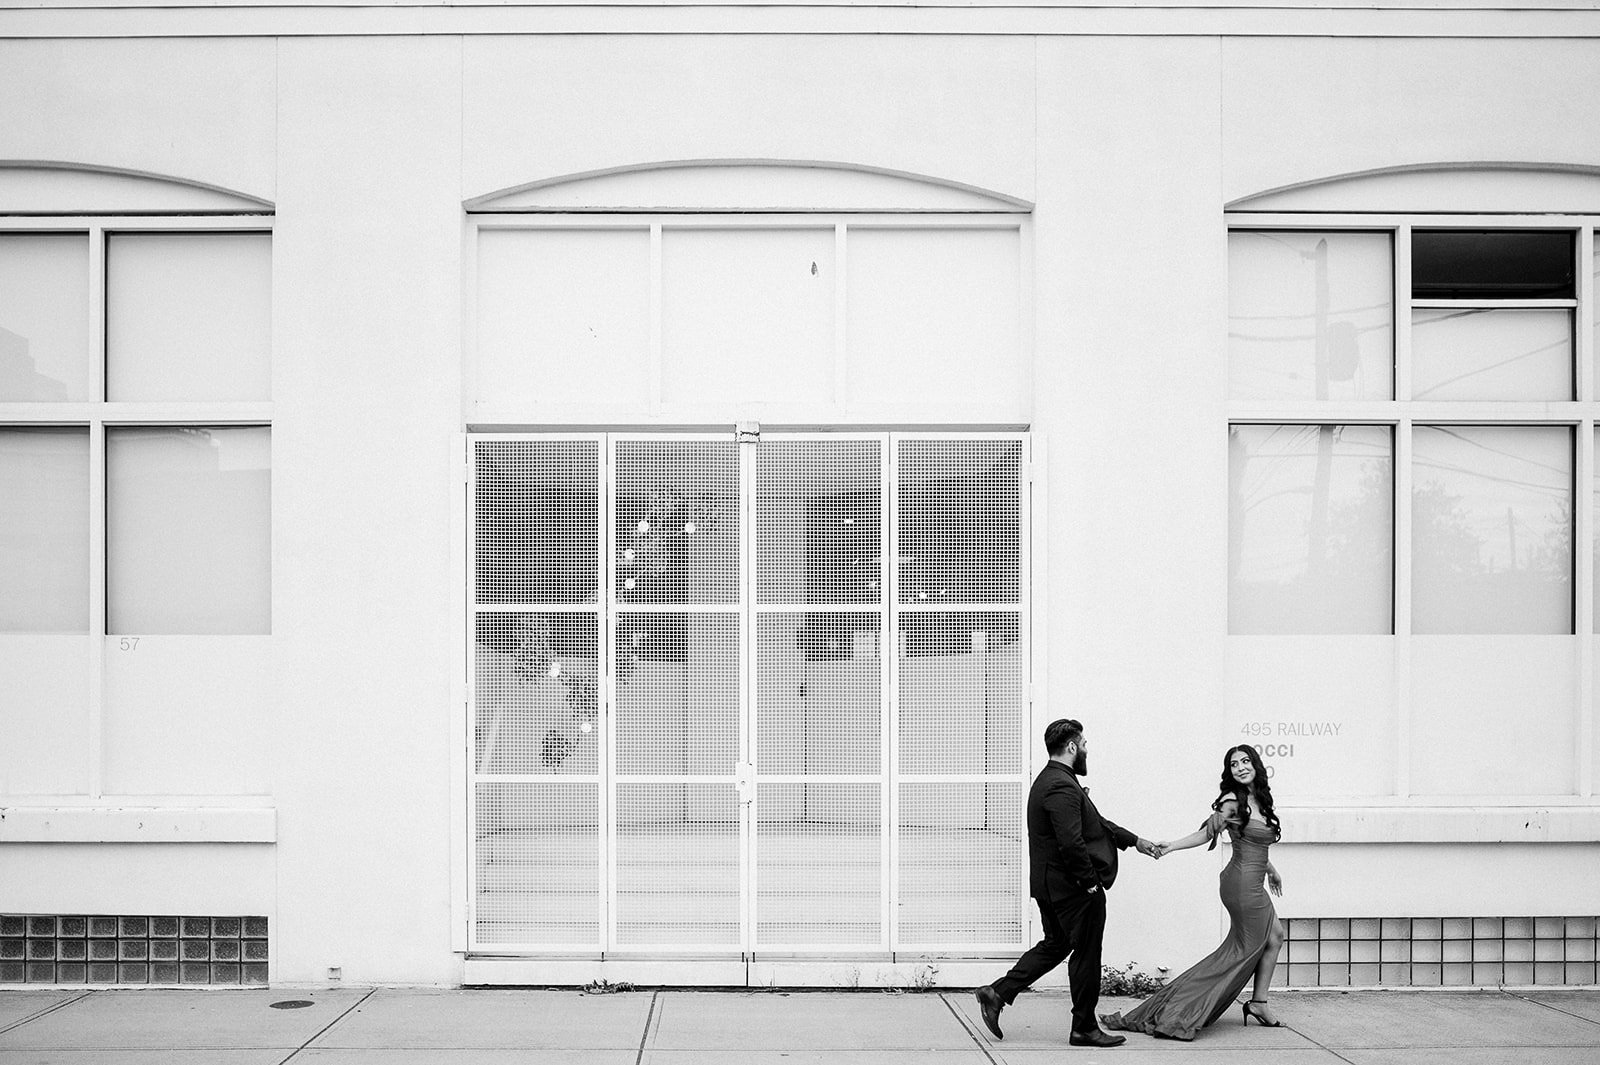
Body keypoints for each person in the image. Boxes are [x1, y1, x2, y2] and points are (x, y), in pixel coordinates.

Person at [974, 718, 1159, 1049]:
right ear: (1072, 747)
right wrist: (1089, 884)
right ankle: (1084, 1028)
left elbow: (1096, 823)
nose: (1087, 749)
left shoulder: (1055, 781)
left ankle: (997, 993)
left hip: (1053, 886)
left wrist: (1135, 841)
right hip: (1071, 888)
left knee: (1056, 944)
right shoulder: (1060, 786)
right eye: (1084, 743)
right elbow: (1071, 842)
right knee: (1086, 955)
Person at [1100, 744, 1286, 1041]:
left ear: (1255, 764)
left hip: (1252, 881)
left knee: (1274, 936)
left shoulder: (1259, 799)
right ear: (1229, 771)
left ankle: (1259, 1003)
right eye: (1234, 764)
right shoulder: (1231, 801)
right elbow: (1206, 833)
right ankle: (1180, 1008)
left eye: (1245, 761)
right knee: (1238, 953)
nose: (1240, 767)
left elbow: (1255, 843)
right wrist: (1171, 846)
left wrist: (1271, 870)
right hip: (1240, 886)